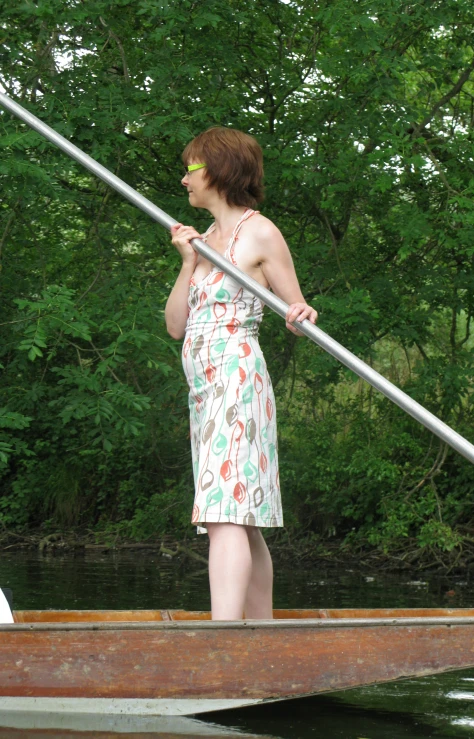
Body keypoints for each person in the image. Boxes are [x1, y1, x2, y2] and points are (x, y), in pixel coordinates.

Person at [165, 127, 317, 621]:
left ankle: (224, 640)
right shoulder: (204, 240)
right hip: (203, 389)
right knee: (240, 515)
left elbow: (295, 310)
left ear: (218, 170)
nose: (184, 179)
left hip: (236, 378)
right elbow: (175, 326)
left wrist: (302, 314)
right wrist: (188, 262)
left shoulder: (261, 231)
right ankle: (260, 633)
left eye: (190, 168)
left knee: (224, 513)